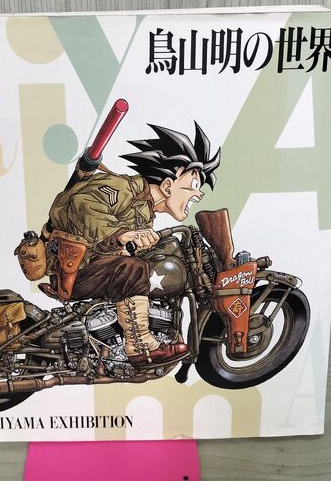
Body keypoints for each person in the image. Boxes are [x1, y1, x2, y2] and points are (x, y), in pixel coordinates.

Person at [47, 122, 221, 366]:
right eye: (193, 186)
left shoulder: (144, 210)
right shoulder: (125, 188)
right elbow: (83, 203)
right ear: (167, 185)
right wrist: (121, 234)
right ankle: (139, 346)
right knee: (134, 269)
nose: (198, 194)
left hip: (93, 266)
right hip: (76, 270)